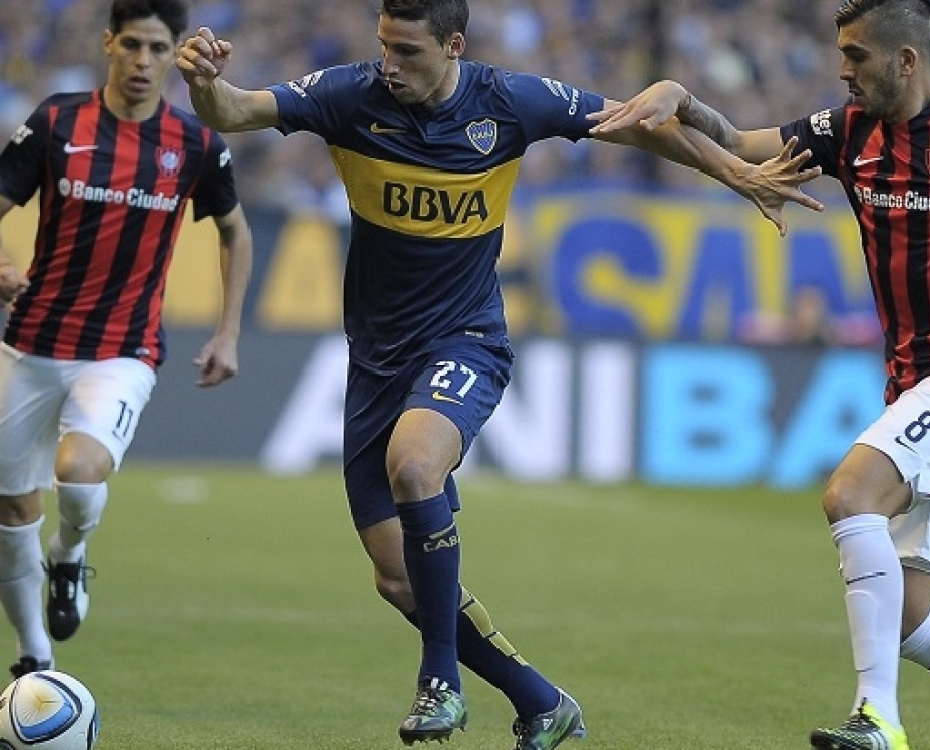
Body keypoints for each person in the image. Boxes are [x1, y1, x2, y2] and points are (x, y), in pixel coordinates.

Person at [175, 1, 822, 747]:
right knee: (395, 578)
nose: (390, 65)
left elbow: (638, 124)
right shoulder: (349, 95)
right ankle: (542, 701)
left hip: (466, 339)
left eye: (409, 51)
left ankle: (439, 682)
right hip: (377, 361)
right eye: (385, 46)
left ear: (454, 45)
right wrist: (203, 82)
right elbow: (234, 110)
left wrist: (736, 172)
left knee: (415, 465)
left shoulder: (510, 101)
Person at [591, 1, 930, 749]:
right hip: (915, 386)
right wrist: (682, 102)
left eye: (857, 55)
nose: (842, 69)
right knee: (907, 622)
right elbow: (738, 145)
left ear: (906, 60)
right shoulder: (847, 132)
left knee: (851, 494)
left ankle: (877, 720)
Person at [0, 0, 252, 682]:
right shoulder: (56, 121)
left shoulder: (194, 143)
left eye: (158, 49)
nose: (143, 61)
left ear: (174, 54)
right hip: (29, 344)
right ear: (109, 43)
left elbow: (235, 232)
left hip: (122, 349)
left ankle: (70, 553)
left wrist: (228, 333)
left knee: (80, 472)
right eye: (132, 45)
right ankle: (34, 658)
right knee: (11, 509)